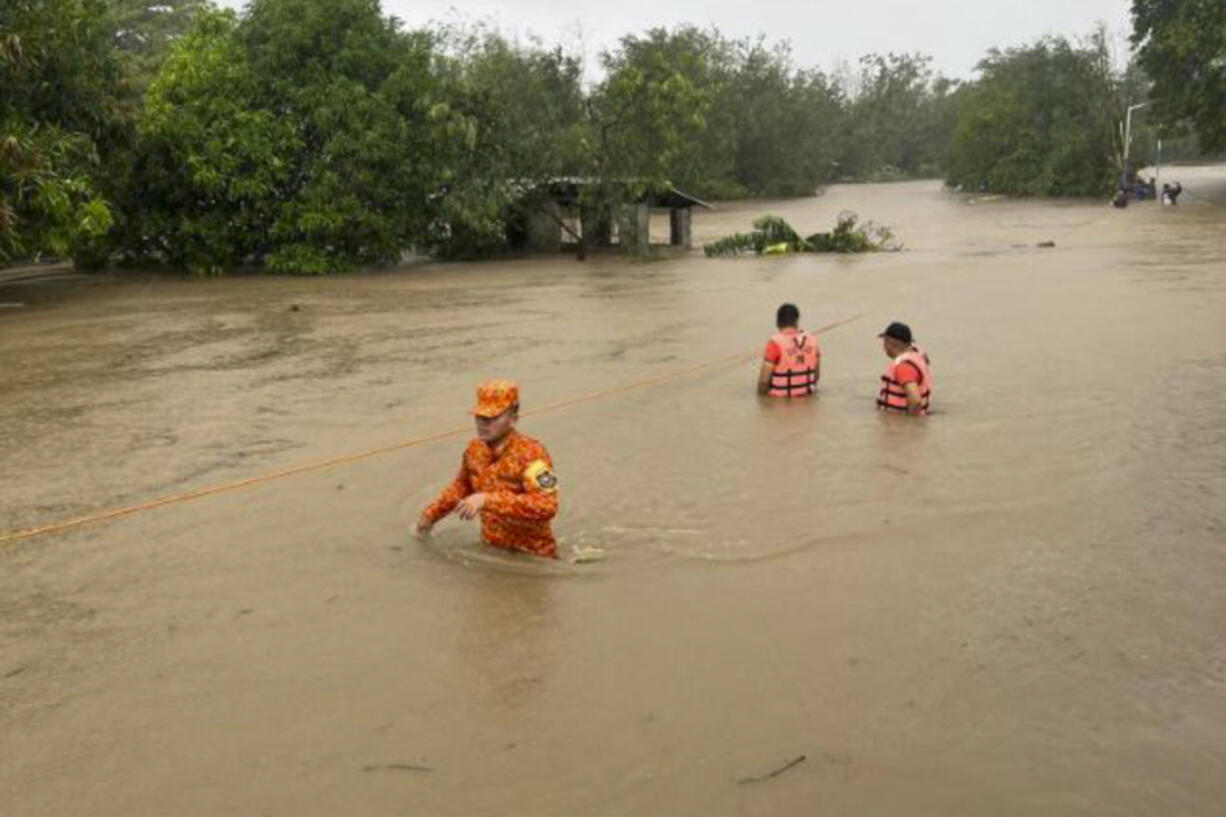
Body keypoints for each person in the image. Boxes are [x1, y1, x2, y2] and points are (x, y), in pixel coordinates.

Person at [415, 380, 559, 558]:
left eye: (492, 418)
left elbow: (547, 506)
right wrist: (430, 516)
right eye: (479, 417)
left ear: (513, 419)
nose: (483, 423)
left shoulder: (533, 455)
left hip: (533, 558)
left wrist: (487, 499)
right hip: (492, 552)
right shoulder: (474, 451)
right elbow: (461, 487)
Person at [758, 302, 821, 397]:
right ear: (797, 321)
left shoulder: (774, 343)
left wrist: (761, 400)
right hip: (806, 399)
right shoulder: (812, 340)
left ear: (778, 321)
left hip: (780, 404)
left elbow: (763, 382)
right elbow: (816, 376)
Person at [876, 322, 932, 417]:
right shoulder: (917, 354)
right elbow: (925, 357)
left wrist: (907, 427)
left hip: (898, 425)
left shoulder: (903, 367)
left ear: (888, 342)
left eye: (885, 341)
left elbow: (916, 401)